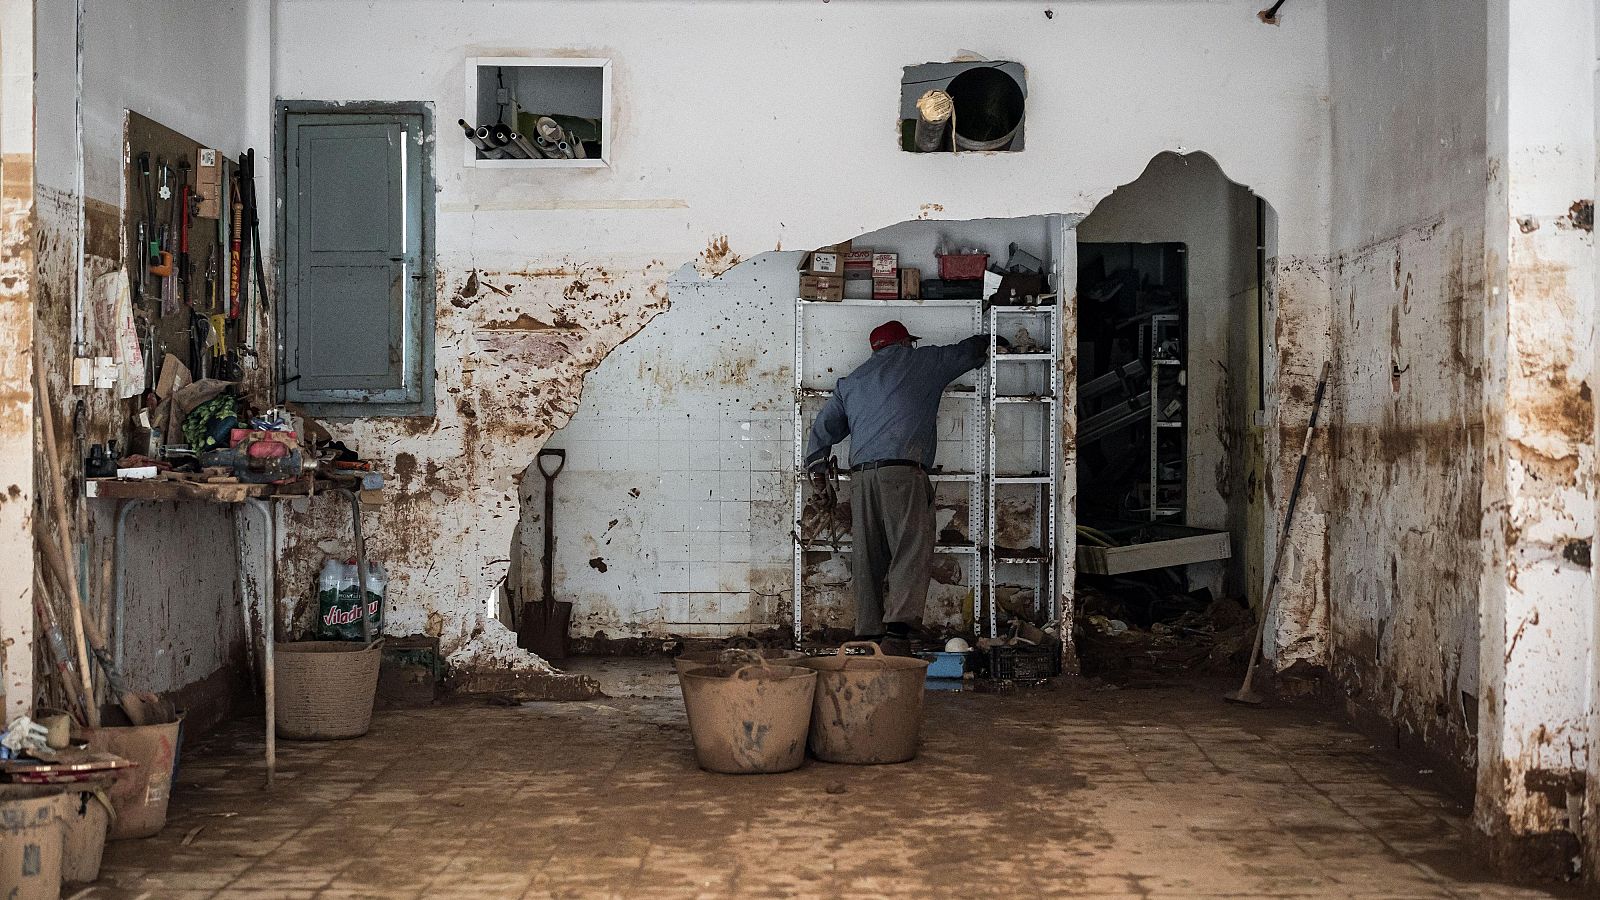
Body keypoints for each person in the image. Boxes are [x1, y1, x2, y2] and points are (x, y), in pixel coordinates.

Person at [804, 319, 1003, 656]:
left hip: (861, 479)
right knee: (911, 547)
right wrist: (989, 338)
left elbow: (822, 430)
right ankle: (897, 634)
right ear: (905, 343)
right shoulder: (922, 361)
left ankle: (868, 634)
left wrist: (818, 471)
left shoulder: (852, 382)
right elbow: (964, 353)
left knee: (867, 554)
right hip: (903, 474)